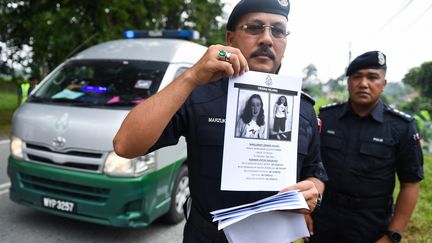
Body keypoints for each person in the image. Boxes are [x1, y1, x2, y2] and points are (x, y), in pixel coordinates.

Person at [113, 0, 327, 242]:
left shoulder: (303, 108)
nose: (267, 39)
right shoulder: (199, 93)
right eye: (255, 28)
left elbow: (315, 172)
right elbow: (125, 145)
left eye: (277, 31)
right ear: (230, 38)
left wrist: (314, 191)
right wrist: (191, 76)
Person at [309, 51, 424, 243]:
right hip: (323, 219)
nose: (363, 84)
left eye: (372, 77)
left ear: (384, 84)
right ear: (348, 82)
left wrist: (392, 235)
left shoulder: (401, 127)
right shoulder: (327, 118)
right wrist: (305, 212)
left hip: (370, 224)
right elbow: (309, 166)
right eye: (357, 77)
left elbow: (410, 184)